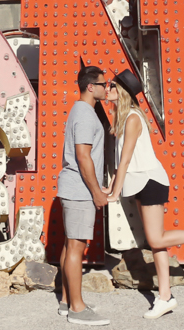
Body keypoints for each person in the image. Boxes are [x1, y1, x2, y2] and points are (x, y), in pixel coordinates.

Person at [105, 69, 184, 319]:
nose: (106, 89)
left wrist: (114, 190)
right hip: (144, 183)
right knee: (158, 242)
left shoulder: (132, 118)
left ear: (121, 91)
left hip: (150, 182)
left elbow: (126, 158)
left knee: (156, 239)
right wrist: (114, 187)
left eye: (110, 85)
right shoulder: (127, 117)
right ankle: (165, 297)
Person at [56, 65, 111, 326]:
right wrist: (97, 192)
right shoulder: (86, 115)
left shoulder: (80, 110)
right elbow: (83, 155)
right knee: (77, 248)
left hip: (74, 188)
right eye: (104, 84)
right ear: (91, 87)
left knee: (70, 246)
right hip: (80, 190)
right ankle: (77, 309)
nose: (107, 87)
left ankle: (67, 302)